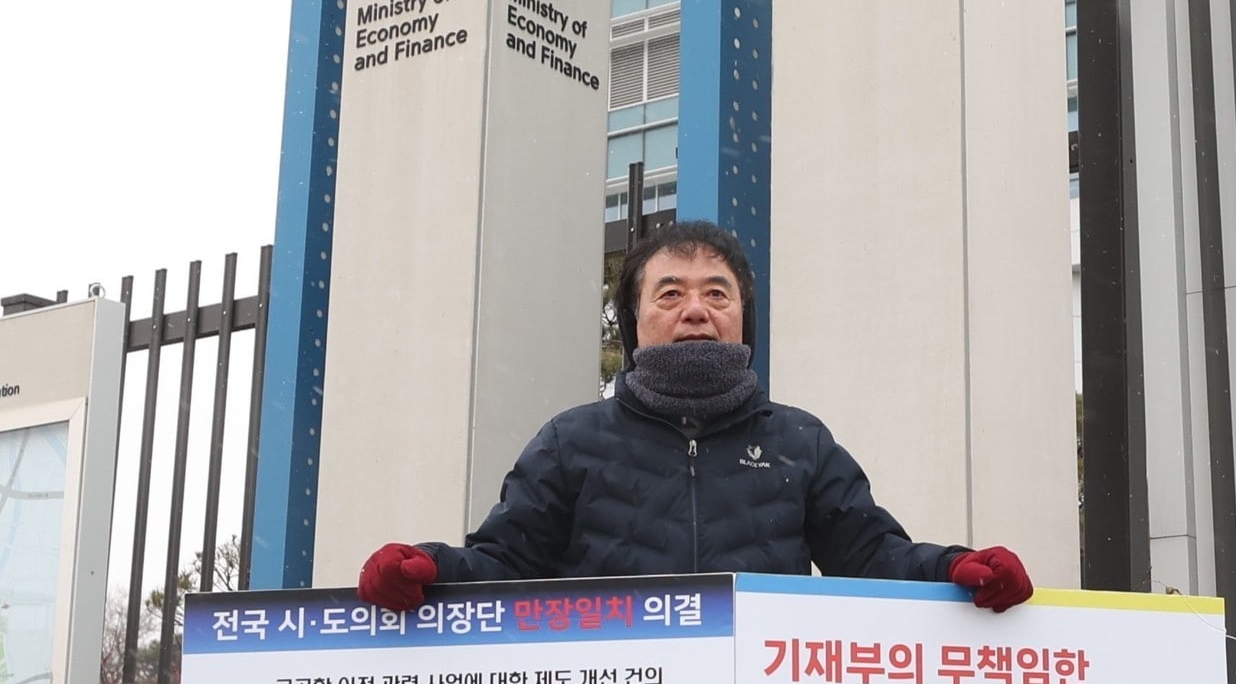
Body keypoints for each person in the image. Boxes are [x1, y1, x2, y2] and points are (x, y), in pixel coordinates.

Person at [358, 220, 1033, 612]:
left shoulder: (797, 439)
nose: (695, 309)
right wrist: (428, 569)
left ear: (743, 315)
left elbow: (870, 556)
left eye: (717, 291)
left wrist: (955, 569)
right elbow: (505, 564)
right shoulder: (572, 441)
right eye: (670, 292)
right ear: (635, 319)